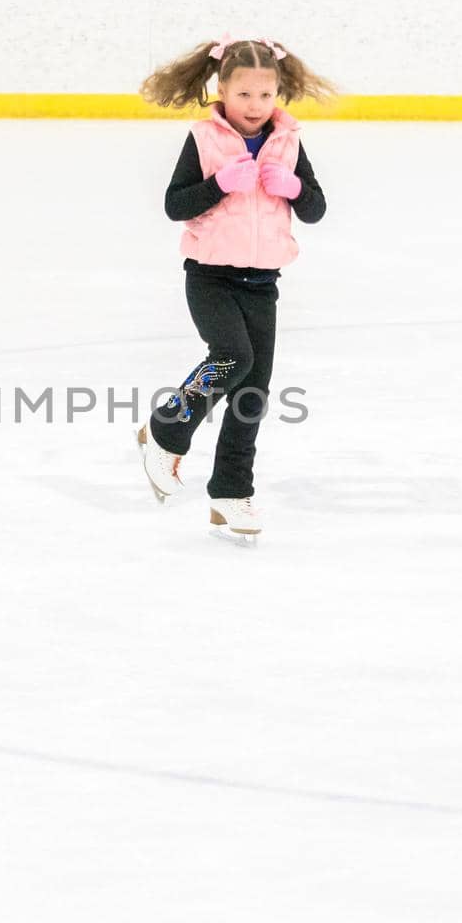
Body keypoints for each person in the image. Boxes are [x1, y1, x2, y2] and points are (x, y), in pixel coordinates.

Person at [135, 35, 334, 543]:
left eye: (265, 96)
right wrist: (220, 183)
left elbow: (315, 208)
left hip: (263, 282)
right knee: (230, 357)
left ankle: (229, 490)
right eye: (243, 95)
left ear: (278, 94)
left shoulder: (289, 141)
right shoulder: (204, 140)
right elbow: (176, 205)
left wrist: (294, 188)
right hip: (210, 276)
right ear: (221, 89)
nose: (255, 106)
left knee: (252, 393)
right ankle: (166, 429)